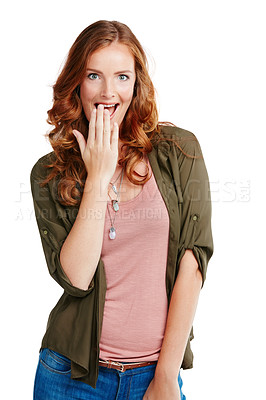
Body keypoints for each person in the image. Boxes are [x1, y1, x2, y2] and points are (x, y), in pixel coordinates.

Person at [31, 20, 213, 400]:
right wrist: (97, 177)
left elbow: (193, 262)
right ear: (77, 85)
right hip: (70, 375)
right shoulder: (49, 174)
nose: (108, 92)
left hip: (154, 374)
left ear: (136, 84)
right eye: (94, 75)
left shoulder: (179, 151)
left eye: (122, 77)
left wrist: (165, 376)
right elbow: (76, 278)